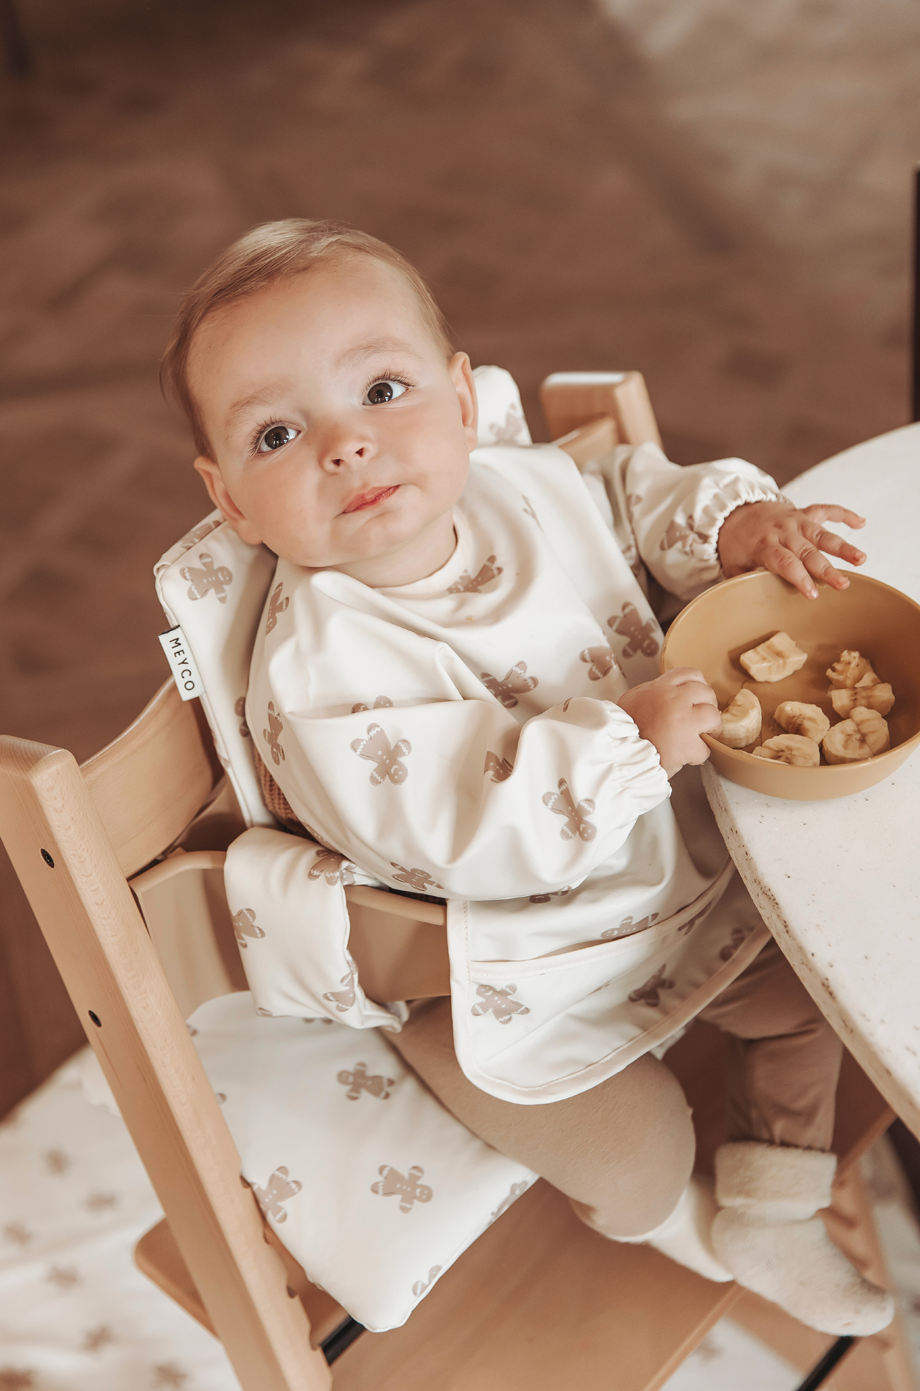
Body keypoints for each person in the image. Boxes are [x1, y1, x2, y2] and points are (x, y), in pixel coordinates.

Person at [161, 217, 890, 1335]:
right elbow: (454, 826)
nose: (345, 446)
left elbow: (633, 498)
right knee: (638, 1158)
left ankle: (768, 1203)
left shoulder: (522, 486)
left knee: (811, 1000)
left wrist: (731, 525)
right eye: (275, 435)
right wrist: (622, 744)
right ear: (231, 502)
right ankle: (685, 1226)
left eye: (382, 389)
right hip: (509, 962)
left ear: (461, 400)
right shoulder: (322, 667)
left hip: (669, 884)